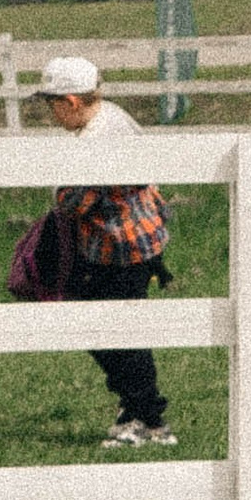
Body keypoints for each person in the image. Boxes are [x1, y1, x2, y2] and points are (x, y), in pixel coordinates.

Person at [36, 55, 175, 452]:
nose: (51, 113)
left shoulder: (99, 139)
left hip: (119, 249)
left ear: (72, 101)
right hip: (133, 244)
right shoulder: (113, 117)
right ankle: (136, 409)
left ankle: (147, 416)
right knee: (111, 327)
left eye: (53, 104)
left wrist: (60, 196)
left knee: (115, 331)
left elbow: (76, 199)